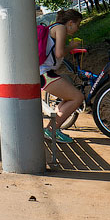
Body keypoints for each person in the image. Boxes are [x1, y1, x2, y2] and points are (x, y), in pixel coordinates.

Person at [40, 9, 85, 143]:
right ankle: (51, 130)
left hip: (45, 72)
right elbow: (59, 54)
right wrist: (70, 46)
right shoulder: (60, 29)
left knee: (70, 96)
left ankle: (54, 128)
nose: (78, 28)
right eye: (78, 24)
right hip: (44, 73)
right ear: (70, 23)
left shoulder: (53, 27)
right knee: (77, 97)